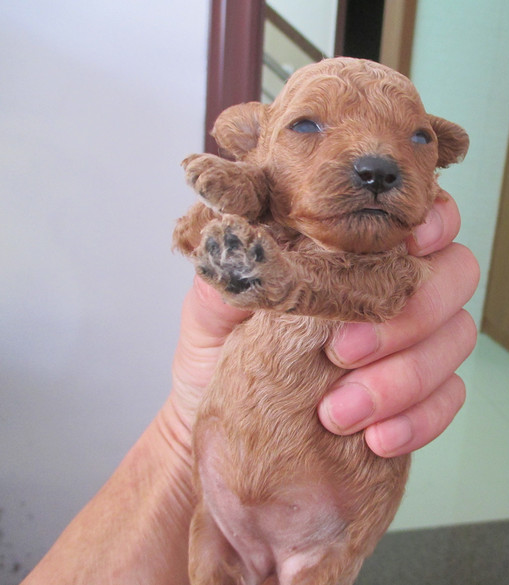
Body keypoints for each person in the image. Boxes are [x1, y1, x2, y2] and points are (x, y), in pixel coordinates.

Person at [22, 194, 479, 584]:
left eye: (417, 138)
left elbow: (376, 289)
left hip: (321, 526)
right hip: (227, 486)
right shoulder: (270, 222)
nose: (370, 166)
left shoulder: (387, 248)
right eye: (307, 126)